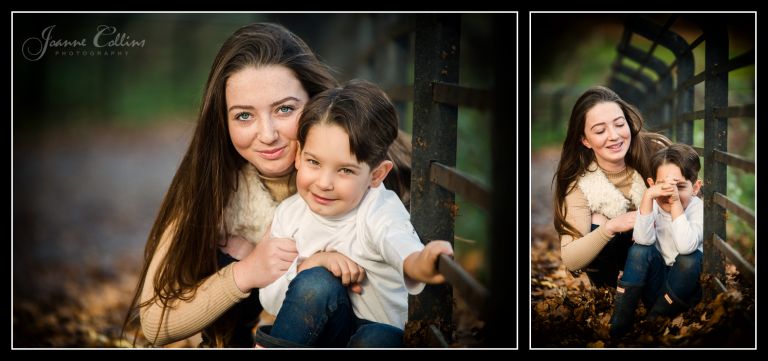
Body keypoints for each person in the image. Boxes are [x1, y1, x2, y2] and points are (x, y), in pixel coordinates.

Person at [122, 23, 412, 347]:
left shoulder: (367, 163)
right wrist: (246, 271)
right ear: (223, 120)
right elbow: (153, 321)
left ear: (315, 101)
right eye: (244, 116)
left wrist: (306, 260)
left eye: (285, 109)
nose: (268, 134)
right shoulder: (215, 187)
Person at [253, 80, 454, 348]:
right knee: (316, 283)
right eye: (314, 162)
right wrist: (309, 265)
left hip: (378, 332)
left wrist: (424, 260)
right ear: (299, 156)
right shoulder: (290, 214)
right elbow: (271, 300)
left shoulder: (378, 209)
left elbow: (401, 247)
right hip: (320, 333)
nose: (324, 182)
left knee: (375, 340)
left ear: (376, 175)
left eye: (345, 170)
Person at [553, 86, 670, 289]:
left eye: (619, 124)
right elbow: (571, 259)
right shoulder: (580, 185)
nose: (614, 136)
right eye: (600, 131)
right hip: (622, 254)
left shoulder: (656, 152)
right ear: (585, 140)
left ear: (628, 123)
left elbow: (693, 198)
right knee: (597, 220)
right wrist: (610, 227)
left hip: (666, 250)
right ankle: (607, 294)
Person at [610, 143, 703, 338]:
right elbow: (642, 241)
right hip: (657, 283)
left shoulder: (697, 209)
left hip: (682, 291)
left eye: (679, 187)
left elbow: (686, 247)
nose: (671, 193)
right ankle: (619, 324)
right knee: (639, 250)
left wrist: (676, 204)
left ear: (695, 187)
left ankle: (653, 321)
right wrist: (648, 198)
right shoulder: (653, 202)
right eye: (663, 186)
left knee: (690, 258)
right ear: (653, 184)